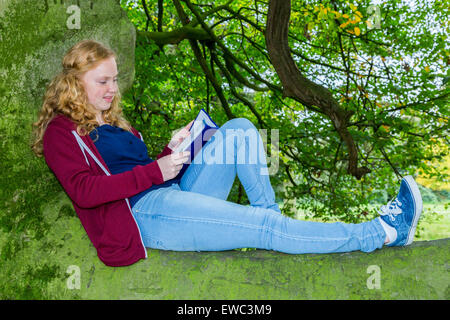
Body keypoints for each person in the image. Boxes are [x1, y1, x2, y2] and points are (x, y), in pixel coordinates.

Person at [32, 40, 423, 267]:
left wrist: (174, 149)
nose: (112, 89)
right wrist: (158, 170)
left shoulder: (114, 121)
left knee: (238, 129)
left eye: (115, 79)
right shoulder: (61, 132)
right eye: (103, 81)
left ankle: (269, 223)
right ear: (74, 84)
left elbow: (142, 169)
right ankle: (382, 232)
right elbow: (85, 191)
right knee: (265, 227)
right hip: (145, 214)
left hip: (171, 194)